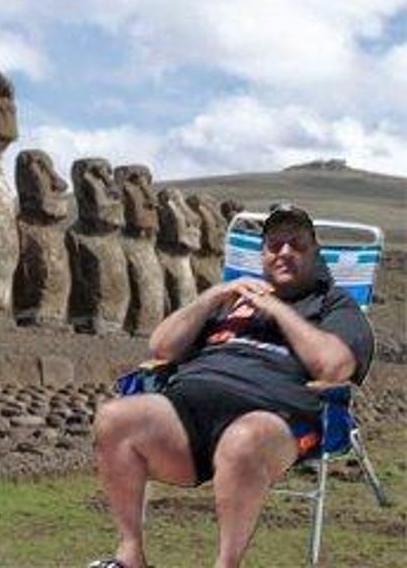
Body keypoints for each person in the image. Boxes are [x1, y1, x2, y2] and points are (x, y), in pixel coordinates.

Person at [88, 204, 374, 568]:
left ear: (315, 253)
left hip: (274, 416)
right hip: (189, 408)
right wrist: (213, 297)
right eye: (274, 245)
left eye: (297, 244)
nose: (284, 252)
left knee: (243, 440)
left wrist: (277, 309)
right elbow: (161, 347)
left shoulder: (333, 304)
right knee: (114, 417)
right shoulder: (231, 300)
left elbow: (333, 366)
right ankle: (130, 557)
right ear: (262, 255)